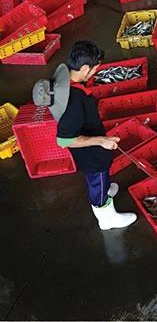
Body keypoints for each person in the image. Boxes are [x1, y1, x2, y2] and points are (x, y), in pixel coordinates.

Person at [35, 41, 137, 230]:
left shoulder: (68, 85)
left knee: (103, 179)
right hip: (91, 155)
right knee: (97, 183)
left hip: (93, 143)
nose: (95, 73)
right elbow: (64, 140)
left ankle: (106, 191)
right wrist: (102, 141)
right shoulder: (74, 101)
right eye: (94, 69)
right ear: (84, 68)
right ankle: (107, 218)